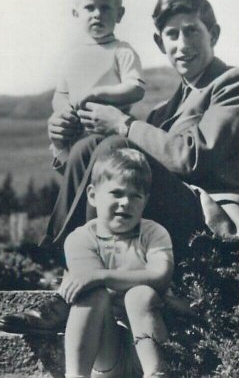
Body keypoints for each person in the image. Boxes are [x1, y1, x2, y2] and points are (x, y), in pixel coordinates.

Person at [0, 0, 239, 335]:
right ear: (160, 44)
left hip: (216, 231)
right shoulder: (162, 111)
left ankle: (74, 292)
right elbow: (107, 171)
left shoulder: (237, 84)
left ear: (213, 34)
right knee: (90, 148)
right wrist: (62, 144)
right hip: (167, 228)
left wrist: (124, 124)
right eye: (172, 35)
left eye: (193, 31)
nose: (183, 45)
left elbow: (194, 157)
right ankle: (64, 265)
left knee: (116, 146)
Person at [62, 148, 171, 378]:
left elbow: (160, 275)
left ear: (145, 201)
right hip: (105, 348)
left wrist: (103, 276)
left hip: (146, 342)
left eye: (135, 196)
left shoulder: (153, 233)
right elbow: (87, 283)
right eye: (116, 193)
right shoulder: (80, 239)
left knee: (139, 295)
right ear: (92, 195)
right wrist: (97, 279)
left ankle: (157, 373)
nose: (125, 203)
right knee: (90, 294)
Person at [51, 0, 145, 163]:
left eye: (105, 8)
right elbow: (60, 95)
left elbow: (136, 88)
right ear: (76, 14)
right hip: (77, 137)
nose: (97, 14)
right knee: (80, 184)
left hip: (110, 137)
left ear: (119, 14)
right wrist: (63, 113)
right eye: (89, 7)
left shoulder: (121, 51)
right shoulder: (71, 57)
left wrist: (98, 93)